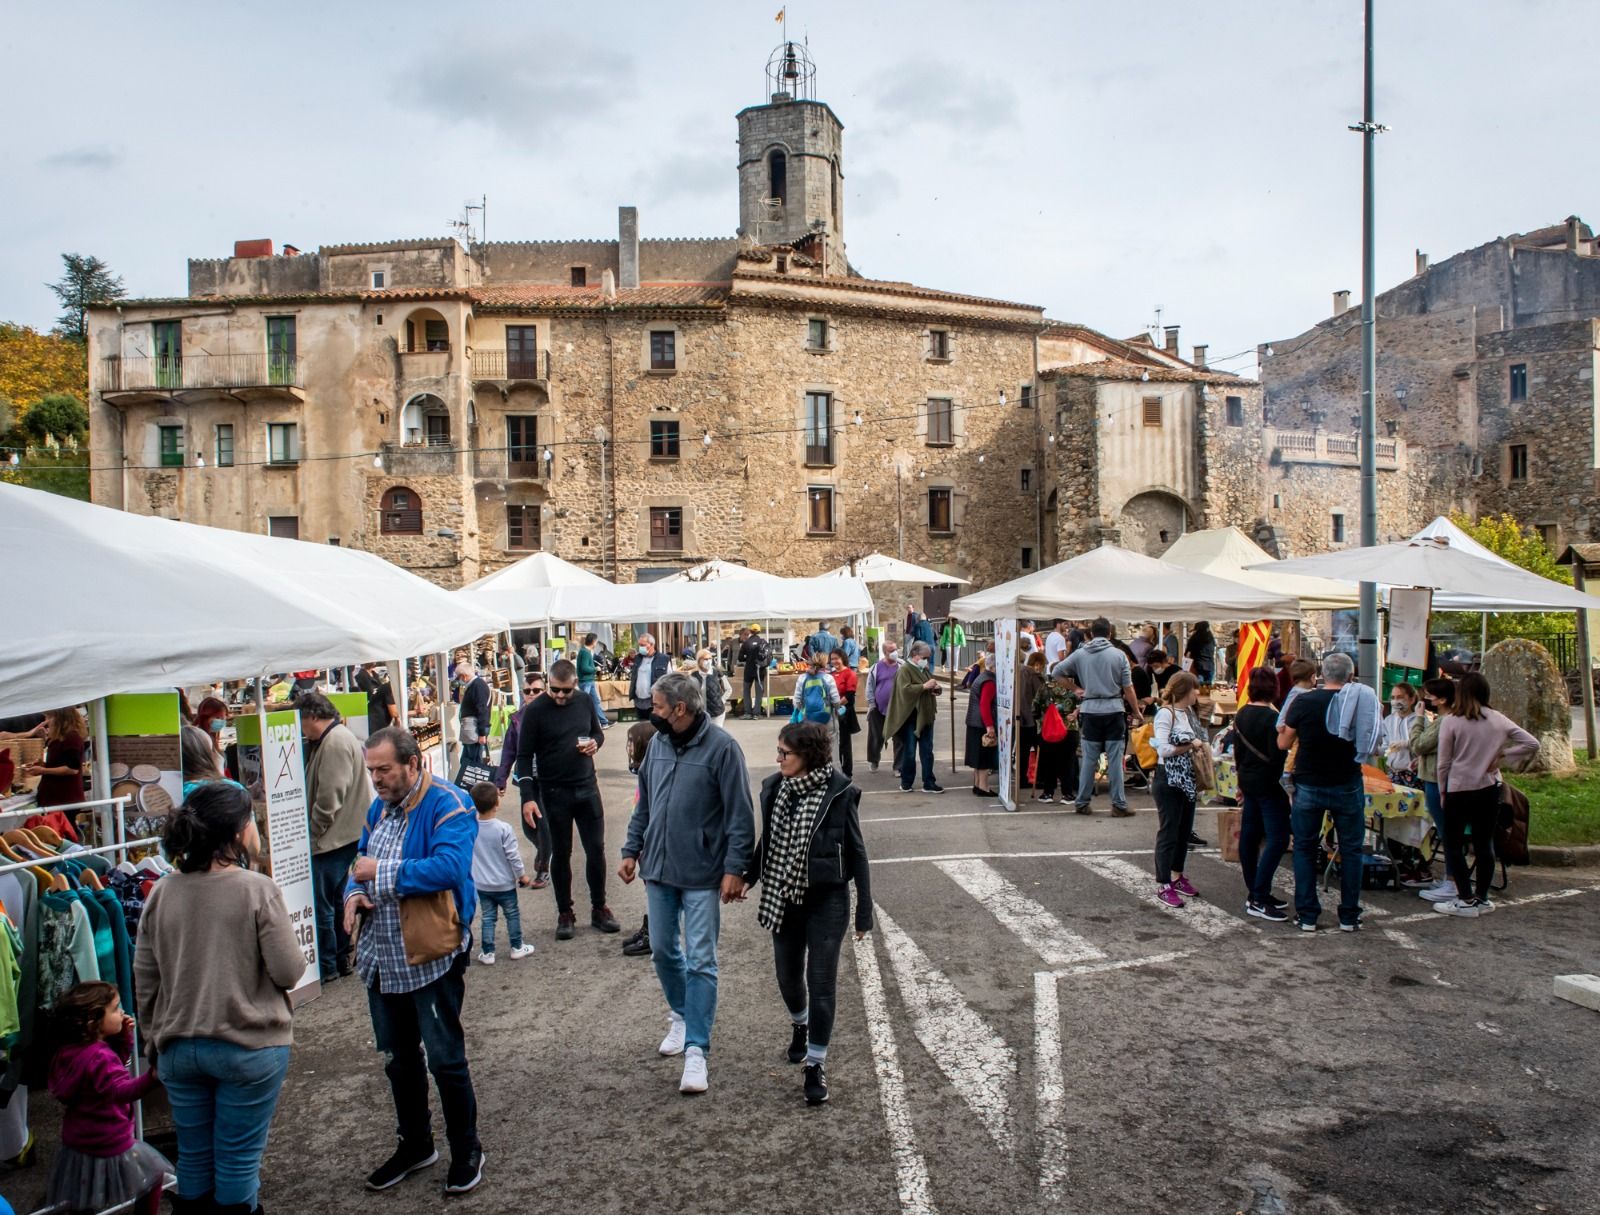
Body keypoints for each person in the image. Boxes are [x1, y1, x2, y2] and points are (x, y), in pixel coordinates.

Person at [134, 782, 303, 1214]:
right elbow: (288, 971)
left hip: (178, 1047)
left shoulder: (162, 892)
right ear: (238, 831)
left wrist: (153, 1041)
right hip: (248, 1046)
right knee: (238, 1162)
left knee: (193, 1158)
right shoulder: (257, 889)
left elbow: (146, 978)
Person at [343, 728, 484, 1196]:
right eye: (372, 770)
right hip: (381, 957)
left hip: (430, 956)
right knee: (399, 1059)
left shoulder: (450, 803)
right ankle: (416, 1144)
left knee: (445, 1060)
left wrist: (378, 873)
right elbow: (358, 864)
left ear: (413, 763)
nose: (377, 779)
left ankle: (467, 1149)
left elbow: (450, 868)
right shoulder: (377, 809)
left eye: (384, 769)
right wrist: (353, 894)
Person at [620, 672, 755, 1095]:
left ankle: (697, 1048)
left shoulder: (723, 749)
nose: (652, 712)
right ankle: (681, 1013)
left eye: (658, 706)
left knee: (701, 960)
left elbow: (740, 815)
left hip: (701, 873)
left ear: (680, 709)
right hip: (658, 871)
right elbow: (645, 805)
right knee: (663, 951)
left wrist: (735, 868)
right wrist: (631, 848)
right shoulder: (658, 745)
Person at [745, 721, 872, 1106]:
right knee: (787, 977)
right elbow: (768, 841)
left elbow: (857, 851)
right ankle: (800, 1024)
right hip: (783, 897)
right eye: (779, 752)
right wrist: (747, 876)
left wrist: (864, 910)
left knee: (821, 982)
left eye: (785, 753)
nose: (778, 759)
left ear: (807, 756)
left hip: (827, 899)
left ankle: (815, 1064)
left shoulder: (840, 792)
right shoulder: (776, 789)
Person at [46, 981, 173, 1215]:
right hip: (109, 1139)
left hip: (78, 1141)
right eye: (115, 1009)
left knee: (84, 1194)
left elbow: (108, 1077)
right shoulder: (100, 1056)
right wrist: (152, 1078)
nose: (122, 1013)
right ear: (92, 1021)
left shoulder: (68, 1051)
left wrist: (123, 1039)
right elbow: (120, 1090)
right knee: (154, 1175)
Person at [515, 658, 618, 940]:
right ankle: (565, 912)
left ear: (575, 684)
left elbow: (597, 732)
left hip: (586, 786)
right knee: (561, 853)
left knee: (595, 849)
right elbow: (523, 757)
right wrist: (527, 797)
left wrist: (596, 743)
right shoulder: (535, 710)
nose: (560, 695)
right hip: (553, 791)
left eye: (566, 690)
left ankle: (599, 907)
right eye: (554, 689)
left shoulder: (584, 701)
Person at [1432, 673, 1539, 919]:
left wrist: (1442, 790)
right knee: (1484, 843)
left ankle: (1464, 897)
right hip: (1489, 787)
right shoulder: (1498, 719)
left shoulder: (1451, 721)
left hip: (1459, 788)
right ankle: (1481, 897)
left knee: (1453, 844)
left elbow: (1443, 762)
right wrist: (1503, 755)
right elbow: (1532, 743)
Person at [1277, 653, 1365, 933]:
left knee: (1304, 848)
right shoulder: (1359, 701)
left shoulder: (1304, 701)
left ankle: (1307, 915)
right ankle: (1349, 915)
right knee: (1351, 849)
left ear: (1321, 675)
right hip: (1347, 780)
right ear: (1351, 676)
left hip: (1309, 781)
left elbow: (1283, 742)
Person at [301, 692, 373, 984]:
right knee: (337, 900)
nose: (301, 729)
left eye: (301, 721)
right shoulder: (336, 738)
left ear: (312, 716)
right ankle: (340, 959)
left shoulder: (334, 742)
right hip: (342, 835)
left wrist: (313, 833)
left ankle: (330, 963)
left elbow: (329, 798)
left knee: (325, 905)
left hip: (333, 839)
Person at [1060, 617, 1141, 817]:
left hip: (1090, 710)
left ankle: (1082, 802)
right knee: (1115, 760)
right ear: (1109, 633)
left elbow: (1056, 671)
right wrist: (1136, 711)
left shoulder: (1081, 654)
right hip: (1113, 709)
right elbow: (1128, 688)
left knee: (1089, 759)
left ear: (1090, 634)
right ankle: (1118, 804)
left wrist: (1075, 689)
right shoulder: (1119, 655)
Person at [1229, 666, 1291, 922]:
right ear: (1274, 689)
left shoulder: (1242, 713)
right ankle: (1259, 895)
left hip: (1248, 779)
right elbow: (1278, 755)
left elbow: (1238, 751)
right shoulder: (1272, 718)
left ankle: (1254, 890)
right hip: (1268, 783)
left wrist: (1240, 782)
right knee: (1278, 838)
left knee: (1250, 835)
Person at [1151, 672, 1206, 907]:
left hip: (1187, 778)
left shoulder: (1188, 712)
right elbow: (1163, 749)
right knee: (1169, 831)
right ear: (1184, 691)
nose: (1198, 693)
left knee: (1184, 831)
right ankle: (1164, 883)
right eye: (1195, 689)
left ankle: (1177, 875)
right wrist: (1189, 745)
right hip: (1168, 779)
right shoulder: (1166, 713)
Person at [495, 672, 550, 887]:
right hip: (526, 778)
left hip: (548, 777)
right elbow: (508, 751)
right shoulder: (517, 718)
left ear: (545, 691)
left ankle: (544, 867)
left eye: (537, 690)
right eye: (528, 691)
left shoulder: (553, 714)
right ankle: (543, 849)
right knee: (529, 826)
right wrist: (500, 780)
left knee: (544, 823)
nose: (532, 694)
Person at [469, 782, 534, 963]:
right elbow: (513, 856)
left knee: (488, 917)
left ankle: (488, 952)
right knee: (512, 914)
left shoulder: (472, 828)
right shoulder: (503, 828)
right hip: (504, 884)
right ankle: (517, 947)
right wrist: (522, 875)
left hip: (482, 884)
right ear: (497, 804)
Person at [1410, 678, 1458, 901]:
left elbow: (1418, 744)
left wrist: (1419, 718)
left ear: (1443, 699)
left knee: (1447, 831)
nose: (1425, 699)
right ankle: (1451, 877)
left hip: (1436, 780)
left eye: (1429, 695)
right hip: (1436, 776)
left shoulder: (1443, 722)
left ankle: (1453, 881)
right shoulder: (1446, 719)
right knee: (1446, 830)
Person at [886, 641, 944, 794]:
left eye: (928, 658)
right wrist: (924, 686)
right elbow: (904, 691)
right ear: (915, 655)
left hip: (926, 716)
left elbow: (931, 686)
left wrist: (936, 689)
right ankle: (906, 782)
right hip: (910, 718)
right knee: (910, 752)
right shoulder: (905, 670)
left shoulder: (924, 669)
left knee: (927, 751)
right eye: (924, 657)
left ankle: (929, 782)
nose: (927, 660)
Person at [1032, 664, 1079, 804]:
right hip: (1069, 728)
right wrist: (1074, 713)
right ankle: (1067, 794)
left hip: (1048, 729)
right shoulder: (1074, 688)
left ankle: (1048, 793)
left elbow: (1034, 708)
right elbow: (1083, 703)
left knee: (1048, 761)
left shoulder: (1044, 687)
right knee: (1068, 762)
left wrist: (1041, 718)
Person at [865, 639, 903, 772]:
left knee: (899, 739)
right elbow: (869, 687)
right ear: (885, 652)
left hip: (898, 709)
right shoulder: (876, 668)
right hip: (878, 709)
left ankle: (898, 766)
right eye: (891, 650)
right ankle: (873, 761)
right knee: (876, 737)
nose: (895, 652)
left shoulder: (902, 666)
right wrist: (871, 704)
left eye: (895, 649)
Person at [965, 653, 999, 798]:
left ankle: (977, 785)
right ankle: (984, 787)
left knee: (977, 757)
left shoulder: (981, 676)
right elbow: (984, 705)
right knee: (984, 757)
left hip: (973, 721)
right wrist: (990, 726)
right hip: (982, 723)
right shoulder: (989, 681)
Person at [454, 660, 491, 784]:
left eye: (459, 677)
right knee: (466, 760)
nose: (458, 680)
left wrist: (482, 733)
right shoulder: (472, 685)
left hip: (474, 729)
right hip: (470, 729)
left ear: (464, 676)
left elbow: (482, 709)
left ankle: (476, 787)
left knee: (474, 762)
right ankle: (469, 786)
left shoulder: (478, 686)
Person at [1016, 650, 1046, 794]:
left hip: (1019, 717)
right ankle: (1040, 779)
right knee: (1040, 748)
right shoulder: (1033, 675)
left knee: (1022, 750)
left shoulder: (1016, 673)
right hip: (1033, 718)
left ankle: (1021, 778)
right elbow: (1041, 695)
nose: (1039, 667)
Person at [828, 649, 861, 780]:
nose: (834, 661)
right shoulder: (830, 675)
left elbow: (849, 695)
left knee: (844, 743)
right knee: (833, 743)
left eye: (836, 658)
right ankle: (834, 770)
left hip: (844, 712)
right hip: (832, 712)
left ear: (843, 658)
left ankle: (847, 772)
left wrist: (836, 706)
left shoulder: (850, 674)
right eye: (832, 659)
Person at [1382, 682, 1421, 784]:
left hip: (1412, 772)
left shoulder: (1419, 720)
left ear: (1412, 699)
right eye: (1393, 697)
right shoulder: (1389, 720)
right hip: (1392, 773)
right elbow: (1385, 746)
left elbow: (1424, 744)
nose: (1395, 701)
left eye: (1400, 697)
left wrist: (1406, 743)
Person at [630, 633, 671, 720]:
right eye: (639, 645)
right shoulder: (637, 658)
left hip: (655, 702)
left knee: (654, 726)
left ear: (652, 645)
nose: (640, 647)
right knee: (642, 726)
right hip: (639, 701)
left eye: (643, 645)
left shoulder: (663, 659)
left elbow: (670, 680)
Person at [575, 632, 611, 729]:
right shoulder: (586, 652)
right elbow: (584, 668)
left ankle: (604, 722)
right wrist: (595, 669)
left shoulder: (584, 651)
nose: (596, 644)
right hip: (586, 681)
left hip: (588, 681)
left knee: (595, 702)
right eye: (596, 641)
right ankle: (581, 724)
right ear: (593, 641)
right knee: (584, 703)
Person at [354, 664, 398, 738]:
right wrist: (414, 712)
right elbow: (394, 713)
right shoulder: (362, 676)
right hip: (375, 721)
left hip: (377, 721)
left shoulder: (375, 675)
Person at [690, 648, 729, 729]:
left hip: (717, 712)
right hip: (701, 713)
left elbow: (728, 689)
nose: (708, 661)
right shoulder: (694, 676)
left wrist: (722, 700)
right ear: (699, 661)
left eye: (710, 659)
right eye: (705, 659)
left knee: (716, 733)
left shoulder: (717, 673)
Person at [738, 626, 770, 719]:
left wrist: (748, 658)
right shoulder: (763, 642)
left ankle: (748, 713)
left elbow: (740, 658)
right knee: (759, 693)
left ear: (751, 631)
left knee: (746, 691)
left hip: (748, 670)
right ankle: (757, 713)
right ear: (759, 631)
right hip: (760, 670)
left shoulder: (746, 643)